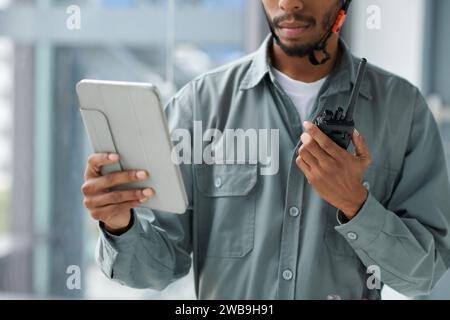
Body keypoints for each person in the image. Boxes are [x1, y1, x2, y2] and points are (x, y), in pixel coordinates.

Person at [81, 0, 450, 299]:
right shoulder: (199, 105)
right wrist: (119, 223)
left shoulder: (403, 110)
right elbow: (159, 269)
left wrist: (356, 205)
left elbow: (424, 275)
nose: (288, 4)